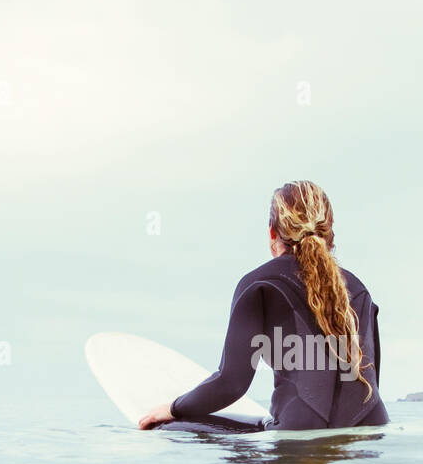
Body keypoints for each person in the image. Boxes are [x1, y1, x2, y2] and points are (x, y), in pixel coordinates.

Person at [138, 181, 389, 431]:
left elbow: (231, 384)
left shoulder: (259, 285)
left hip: (299, 435)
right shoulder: (360, 291)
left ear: (272, 232)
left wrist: (173, 408)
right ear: (330, 233)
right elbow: (370, 381)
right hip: (370, 436)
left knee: (171, 426)